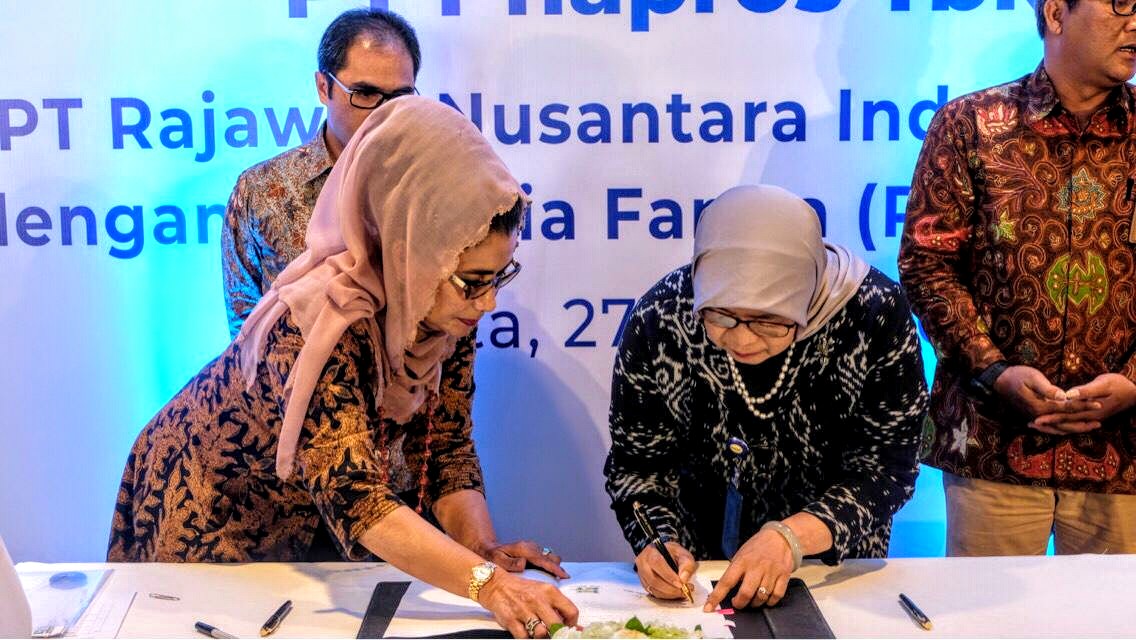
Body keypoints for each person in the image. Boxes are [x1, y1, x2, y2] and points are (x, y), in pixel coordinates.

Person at [109, 97, 577, 639]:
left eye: (499, 275)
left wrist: (482, 551)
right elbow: (357, 498)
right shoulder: (318, 322)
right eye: (473, 281)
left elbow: (446, 446)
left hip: (312, 512)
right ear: (412, 250)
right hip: (217, 507)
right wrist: (488, 586)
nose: (488, 302)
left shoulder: (439, 306)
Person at [604, 185, 926, 611]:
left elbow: (889, 469)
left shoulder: (873, 314)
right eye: (721, 316)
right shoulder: (661, 317)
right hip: (700, 578)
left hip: (830, 572)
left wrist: (790, 538)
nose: (742, 340)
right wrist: (657, 543)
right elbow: (637, 466)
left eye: (770, 321)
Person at [899, 0, 1136, 556]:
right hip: (991, 441)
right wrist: (995, 370)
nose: (1135, 23)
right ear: (1055, 14)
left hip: (1125, 454)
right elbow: (928, 264)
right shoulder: (968, 126)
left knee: (1114, 609)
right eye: (1120, 5)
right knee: (986, 607)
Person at [222, 7, 420, 336]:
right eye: (365, 94)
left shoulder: (430, 186)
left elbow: (455, 326)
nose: (384, 113)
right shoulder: (260, 190)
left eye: (400, 96)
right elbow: (246, 334)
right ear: (323, 87)